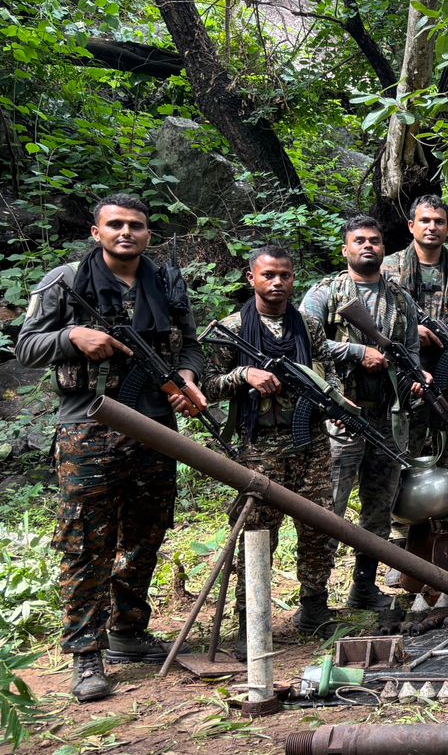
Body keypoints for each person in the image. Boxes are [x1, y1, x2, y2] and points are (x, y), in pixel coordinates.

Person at [17, 193, 205, 702]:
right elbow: (25, 345)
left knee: (147, 531)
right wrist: (73, 337)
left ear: (149, 234)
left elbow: (188, 342)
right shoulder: (65, 282)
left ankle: (127, 630)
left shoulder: (166, 282)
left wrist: (187, 377)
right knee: (86, 542)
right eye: (116, 225)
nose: (127, 233)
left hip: (156, 426)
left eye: (137, 226)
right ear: (96, 233)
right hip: (88, 427)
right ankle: (85, 652)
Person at [202, 246, 339, 636]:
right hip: (258, 447)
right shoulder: (230, 328)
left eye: (285, 275)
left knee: (319, 526)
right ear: (252, 279)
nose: (277, 282)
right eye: (268, 275)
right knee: (257, 531)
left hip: (310, 442)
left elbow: (324, 370)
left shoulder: (308, 325)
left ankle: (314, 606)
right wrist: (244, 375)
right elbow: (207, 386)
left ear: (294, 278)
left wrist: (334, 405)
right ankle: (251, 617)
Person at [301, 215, 422, 610]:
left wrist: (415, 379)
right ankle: (314, 599)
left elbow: (410, 351)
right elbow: (304, 347)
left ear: (384, 248)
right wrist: (356, 352)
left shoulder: (400, 298)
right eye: (359, 241)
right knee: (330, 508)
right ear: (345, 248)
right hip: (340, 417)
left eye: (375, 240)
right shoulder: (325, 294)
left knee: (379, 507)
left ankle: (364, 587)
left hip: (385, 417)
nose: (368, 246)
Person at [380, 195, 448, 579]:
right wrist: (411, 332)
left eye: (439, 221)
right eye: (424, 220)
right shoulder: (389, 269)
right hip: (402, 383)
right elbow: (375, 324)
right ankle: (402, 555)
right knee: (404, 464)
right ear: (411, 225)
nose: (432, 227)